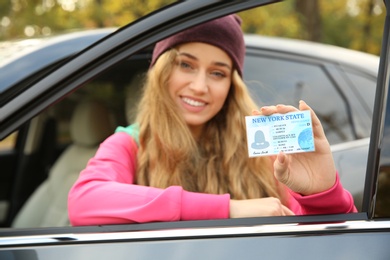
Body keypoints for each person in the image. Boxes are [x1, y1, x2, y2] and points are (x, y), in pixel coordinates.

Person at [68, 14, 356, 226]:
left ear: (232, 85)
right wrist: (229, 209)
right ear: (160, 71)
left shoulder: (262, 145)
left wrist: (321, 193)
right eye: (186, 65)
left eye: (217, 73)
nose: (199, 86)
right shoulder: (131, 143)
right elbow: (84, 201)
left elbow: (330, 244)